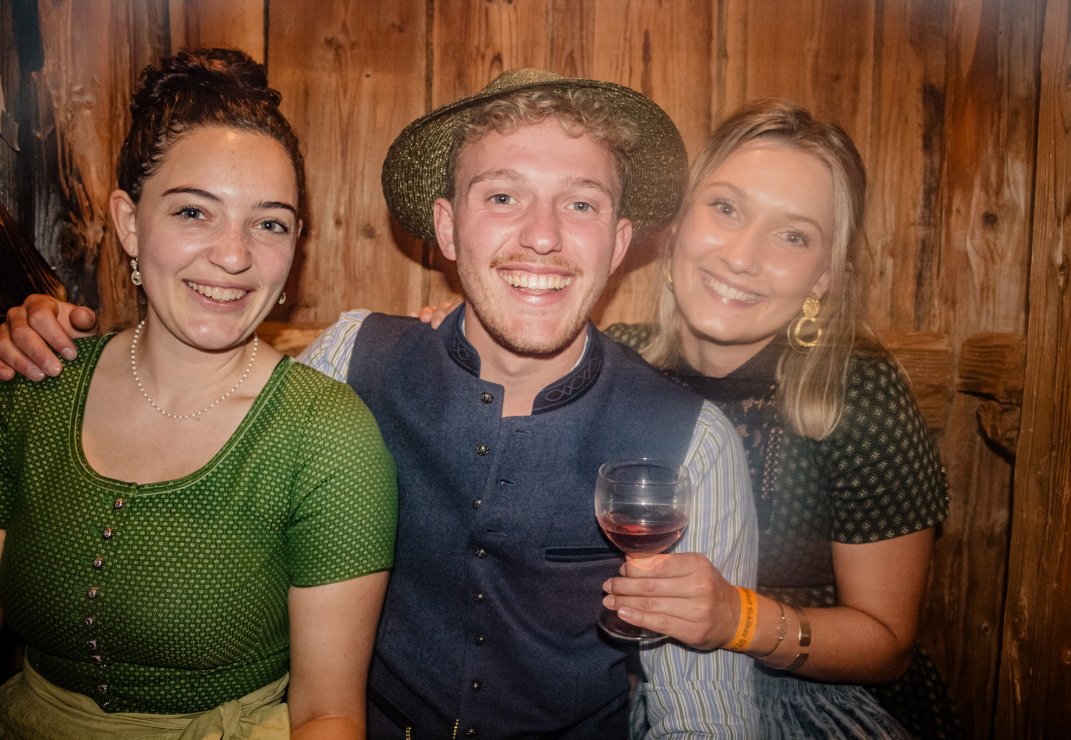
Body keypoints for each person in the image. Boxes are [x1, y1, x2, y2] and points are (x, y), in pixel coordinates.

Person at [0, 69, 759, 738]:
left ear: (619, 243)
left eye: (581, 205)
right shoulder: (352, 357)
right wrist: (47, 338)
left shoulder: (694, 443)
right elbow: (213, 400)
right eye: (503, 196)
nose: (542, 237)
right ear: (448, 228)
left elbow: (705, 718)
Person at [0, 49, 397, 739]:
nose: (234, 255)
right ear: (129, 223)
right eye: (193, 212)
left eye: (269, 223)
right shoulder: (36, 386)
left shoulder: (328, 436)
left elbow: (329, 713)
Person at [601, 99, 959, 737]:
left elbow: (887, 644)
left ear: (822, 277)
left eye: (793, 235)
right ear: (677, 225)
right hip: (630, 695)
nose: (743, 256)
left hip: (811, 706)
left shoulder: (857, 397)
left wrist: (736, 619)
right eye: (726, 208)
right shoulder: (612, 365)